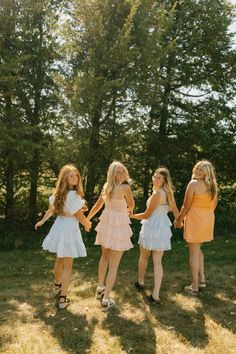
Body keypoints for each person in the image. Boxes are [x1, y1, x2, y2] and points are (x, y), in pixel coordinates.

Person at [35, 164, 91, 309]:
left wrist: (42, 221)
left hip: (60, 226)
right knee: (67, 263)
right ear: (64, 178)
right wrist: (87, 225)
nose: (75, 178)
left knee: (59, 259)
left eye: (76, 175)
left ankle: (57, 285)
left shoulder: (59, 193)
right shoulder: (73, 195)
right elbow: (79, 215)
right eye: (71, 176)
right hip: (69, 228)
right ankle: (63, 298)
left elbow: (51, 210)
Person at [87, 161, 134, 311]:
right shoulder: (125, 188)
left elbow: (97, 207)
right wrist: (128, 211)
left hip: (107, 224)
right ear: (113, 174)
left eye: (123, 171)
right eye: (119, 172)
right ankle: (105, 299)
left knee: (105, 258)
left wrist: (87, 219)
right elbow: (131, 205)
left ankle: (100, 287)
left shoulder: (107, 187)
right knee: (113, 264)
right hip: (118, 226)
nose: (122, 174)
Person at [130, 167, 179, 304]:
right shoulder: (168, 192)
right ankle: (155, 293)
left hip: (152, 226)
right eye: (154, 176)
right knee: (157, 261)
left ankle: (141, 282)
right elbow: (175, 210)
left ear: (164, 180)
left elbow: (146, 214)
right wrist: (178, 221)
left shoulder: (158, 194)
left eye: (158, 178)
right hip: (163, 227)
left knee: (144, 256)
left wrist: (132, 216)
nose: (155, 179)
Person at [175, 160, 218, 295]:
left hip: (195, 219)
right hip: (207, 219)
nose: (197, 171)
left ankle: (194, 286)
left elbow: (185, 206)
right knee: (197, 249)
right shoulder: (213, 186)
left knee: (193, 252)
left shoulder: (193, 184)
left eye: (201, 170)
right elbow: (214, 206)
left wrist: (179, 220)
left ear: (207, 173)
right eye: (197, 168)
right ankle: (202, 278)